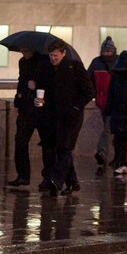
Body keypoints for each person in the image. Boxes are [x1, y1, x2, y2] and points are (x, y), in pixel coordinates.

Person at [35, 38, 93, 197]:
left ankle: (56, 180)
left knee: (65, 148)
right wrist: (38, 99)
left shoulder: (74, 67)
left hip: (72, 116)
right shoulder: (47, 68)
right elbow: (44, 89)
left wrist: (75, 106)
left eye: (56, 55)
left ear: (63, 53)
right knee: (61, 149)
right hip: (54, 116)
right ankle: (73, 183)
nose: (53, 58)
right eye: (51, 55)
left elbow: (88, 91)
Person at [7, 47, 50, 187]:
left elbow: (50, 84)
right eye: (22, 50)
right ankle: (23, 175)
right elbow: (21, 82)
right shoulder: (22, 62)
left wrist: (36, 87)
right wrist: (18, 102)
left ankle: (48, 176)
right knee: (20, 141)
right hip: (26, 108)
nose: (23, 53)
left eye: (26, 50)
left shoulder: (44, 62)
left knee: (47, 143)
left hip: (41, 109)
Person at [87, 36, 118, 167]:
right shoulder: (96, 62)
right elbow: (88, 79)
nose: (106, 54)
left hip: (116, 102)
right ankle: (117, 157)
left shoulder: (118, 62)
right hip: (102, 102)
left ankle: (102, 152)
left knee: (109, 128)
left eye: (109, 51)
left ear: (114, 51)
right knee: (112, 129)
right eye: (105, 51)